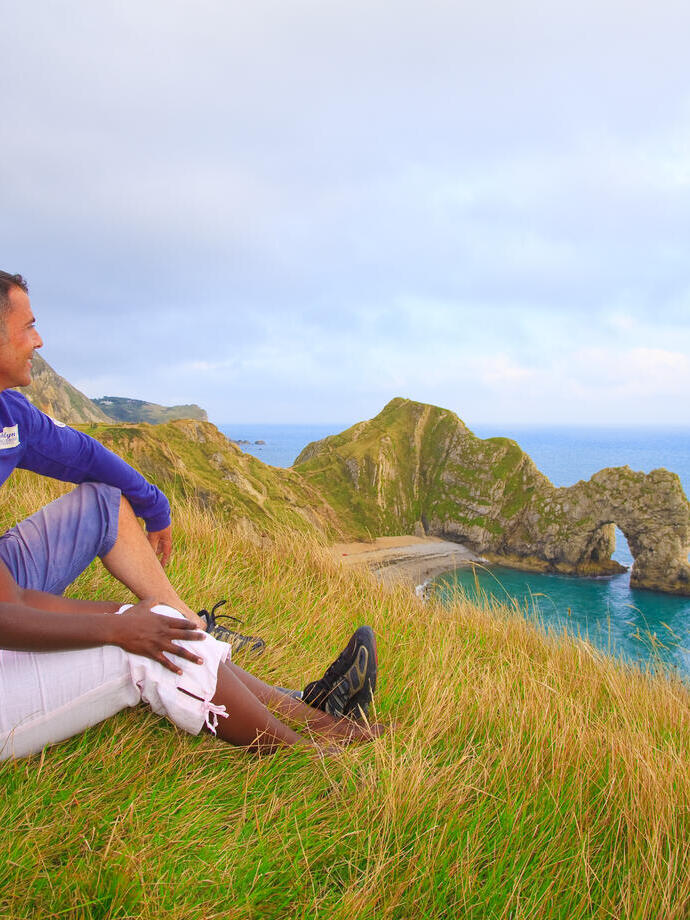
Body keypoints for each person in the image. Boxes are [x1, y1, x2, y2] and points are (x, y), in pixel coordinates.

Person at [0, 271, 380, 759]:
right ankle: (309, 755)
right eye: (28, 326)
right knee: (145, 651)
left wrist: (152, 508)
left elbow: (81, 456)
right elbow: (9, 614)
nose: (39, 340)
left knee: (148, 610)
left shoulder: (9, 413)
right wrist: (116, 628)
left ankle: (314, 715)